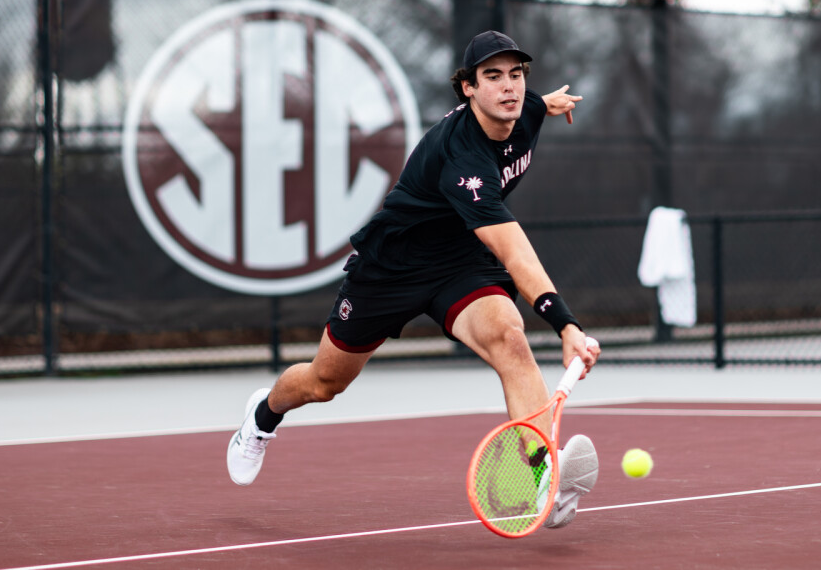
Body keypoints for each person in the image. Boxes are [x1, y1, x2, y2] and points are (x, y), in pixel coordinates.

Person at [226, 30, 601, 528]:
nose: (508, 87)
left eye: (516, 75)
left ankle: (541, 479)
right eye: (492, 77)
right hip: (392, 268)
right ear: (467, 88)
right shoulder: (462, 160)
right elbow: (514, 251)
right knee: (325, 381)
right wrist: (567, 325)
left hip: (462, 264)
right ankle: (262, 417)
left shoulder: (524, 109)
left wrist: (548, 103)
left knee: (511, 341)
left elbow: (533, 103)